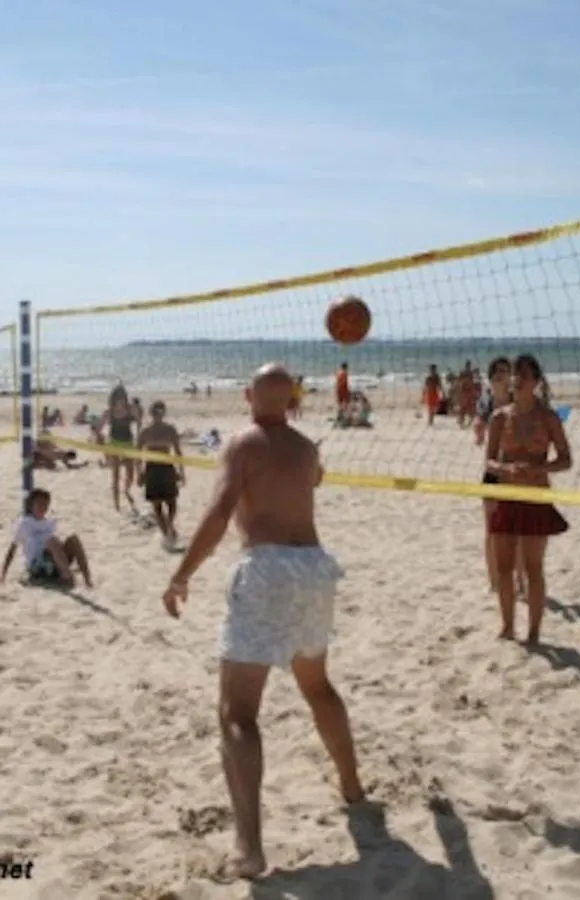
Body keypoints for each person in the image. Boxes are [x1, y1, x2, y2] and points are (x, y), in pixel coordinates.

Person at [162, 363, 366, 880]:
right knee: (318, 687)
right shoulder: (305, 447)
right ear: (292, 400)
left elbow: (218, 511)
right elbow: (311, 477)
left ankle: (249, 847)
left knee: (237, 714)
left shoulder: (241, 443)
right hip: (315, 570)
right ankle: (352, 787)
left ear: (250, 396)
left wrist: (182, 573)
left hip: (269, 570)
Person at [485, 354, 572, 646]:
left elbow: (565, 459)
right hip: (507, 494)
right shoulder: (499, 417)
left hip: (535, 496)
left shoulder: (548, 417)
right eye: (514, 373)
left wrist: (539, 468)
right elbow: (488, 462)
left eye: (524, 373)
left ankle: (534, 631)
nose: (518, 378)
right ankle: (508, 626)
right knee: (504, 568)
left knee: (533, 568)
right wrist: (506, 469)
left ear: (535, 381)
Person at [474, 357, 526, 596]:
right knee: (491, 531)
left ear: (511, 377)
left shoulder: (520, 402)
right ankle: (494, 582)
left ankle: (520, 581)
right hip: (493, 472)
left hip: (515, 473)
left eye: (504, 371)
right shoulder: (486, 404)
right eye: (495, 371)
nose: (499, 374)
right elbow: (479, 437)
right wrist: (479, 428)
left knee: (517, 532)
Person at [1, 488, 93, 588]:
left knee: (73, 538)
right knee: (51, 541)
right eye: (39, 504)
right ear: (32, 505)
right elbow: (13, 548)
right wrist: (4, 574)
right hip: (37, 565)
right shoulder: (24, 523)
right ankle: (68, 578)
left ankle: (87, 579)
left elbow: (57, 547)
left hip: (52, 561)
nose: (43, 507)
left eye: (45, 504)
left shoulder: (50, 522)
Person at [137, 400, 186, 550]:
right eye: (157, 412)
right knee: (159, 505)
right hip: (155, 467)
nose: (159, 415)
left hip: (164, 467)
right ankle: (166, 533)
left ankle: (168, 528)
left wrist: (181, 471)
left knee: (170, 503)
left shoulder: (168, 429)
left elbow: (178, 452)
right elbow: (137, 455)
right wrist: (139, 473)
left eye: (160, 412)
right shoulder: (146, 431)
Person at [101, 384, 139, 514]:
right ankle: (116, 505)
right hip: (114, 443)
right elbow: (100, 427)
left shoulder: (130, 409)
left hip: (128, 442)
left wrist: (139, 435)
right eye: (118, 396)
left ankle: (126, 490)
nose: (121, 399)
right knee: (115, 475)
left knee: (130, 474)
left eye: (123, 396)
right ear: (114, 398)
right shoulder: (109, 411)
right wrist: (101, 442)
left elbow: (139, 421)